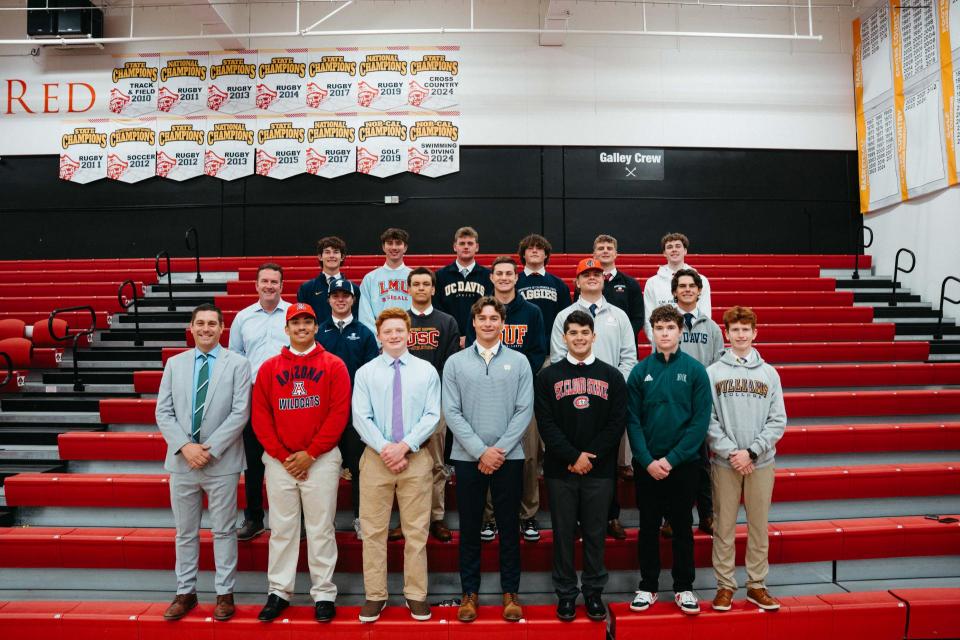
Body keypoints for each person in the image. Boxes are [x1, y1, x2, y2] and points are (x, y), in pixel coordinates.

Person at [251, 303, 351, 623]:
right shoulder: (269, 368)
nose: (302, 327)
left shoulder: (334, 365)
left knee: (321, 529)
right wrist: (284, 456)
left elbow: (338, 415)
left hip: (320, 460)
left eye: (308, 322)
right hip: (281, 461)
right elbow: (261, 417)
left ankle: (323, 593)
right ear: (287, 328)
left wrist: (312, 453)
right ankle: (279, 591)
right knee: (282, 529)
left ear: (316, 327)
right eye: (296, 323)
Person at [156, 304, 251, 622]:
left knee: (223, 531)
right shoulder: (175, 364)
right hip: (182, 462)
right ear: (191, 327)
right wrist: (185, 447)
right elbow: (163, 412)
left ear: (223, 328)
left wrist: (208, 450)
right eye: (201, 323)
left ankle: (225, 593)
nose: (206, 328)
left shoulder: (238, 364)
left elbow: (240, 412)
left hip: (221, 461)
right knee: (185, 533)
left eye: (212, 324)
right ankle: (186, 592)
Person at [444, 297, 534, 623]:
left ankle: (510, 593)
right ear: (474, 322)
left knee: (509, 528)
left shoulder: (520, 362)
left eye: (494, 318)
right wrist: (480, 451)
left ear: (502, 323)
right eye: (482, 318)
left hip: (509, 457)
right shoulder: (455, 363)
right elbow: (451, 411)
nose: (488, 323)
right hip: (468, 458)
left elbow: (525, 410)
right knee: (469, 529)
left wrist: (498, 450)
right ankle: (470, 593)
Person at [535, 310, 627, 622]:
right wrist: (573, 457)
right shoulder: (548, 376)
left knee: (595, 533)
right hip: (561, 470)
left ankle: (593, 592)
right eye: (572, 332)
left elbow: (616, 424)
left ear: (593, 336)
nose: (578, 338)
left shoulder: (612, 376)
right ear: (564, 337)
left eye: (584, 333)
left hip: (598, 471)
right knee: (562, 534)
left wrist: (589, 456)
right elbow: (545, 424)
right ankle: (565, 594)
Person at [352, 308, 442, 623]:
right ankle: (375, 595)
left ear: (408, 334)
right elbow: (361, 417)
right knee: (374, 531)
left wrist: (404, 446)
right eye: (387, 331)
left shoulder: (426, 371)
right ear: (379, 336)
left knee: (416, 531)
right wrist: (386, 448)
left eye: (399, 331)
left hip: (415, 457)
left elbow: (432, 415)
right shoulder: (365, 373)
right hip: (376, 459)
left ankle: (416, 594)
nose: (393, 336)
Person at [626, 305, 711, 616]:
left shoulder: (695, 371)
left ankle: (684, 587)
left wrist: (672, 460)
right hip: (647, 464)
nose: (664, 333)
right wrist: (647, 460)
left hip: (683, 464)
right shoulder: (639, 371)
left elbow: (700, 422)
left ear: (679, 331)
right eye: (659, 328)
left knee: (682, 526)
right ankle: (648, 586)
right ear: (651, 332)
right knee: (648, 526)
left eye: (670, 328)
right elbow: (632, 421)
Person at [707, 306, 786, 613]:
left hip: (761, 462)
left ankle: (756, 585)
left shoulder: (770, 373)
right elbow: (708, 420)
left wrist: (752, 451)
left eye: (745, 329)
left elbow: (778, 420)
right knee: (723, 527)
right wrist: (732, 452)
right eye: (735, 330)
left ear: (755, 333)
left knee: (758, 526)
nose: (740, 335)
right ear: (726, 334)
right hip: (726, 464)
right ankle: (725, 586)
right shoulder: (713, 372)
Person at [551, 258, 637, 540]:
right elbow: (555, 358)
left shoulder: (619, 316)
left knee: (606, 460)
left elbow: (628, 358)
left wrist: (616, 392)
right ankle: (574, 519)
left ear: (604, 280)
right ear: (576, 282)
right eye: (585, 274)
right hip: (570, 399)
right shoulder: (564, 316)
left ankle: (610, 516)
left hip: (608, 400)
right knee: (574, 453)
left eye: (596, 274)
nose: (591, 278)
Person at [467, 256, 545, 543]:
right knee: (488, 451)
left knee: (528, 456)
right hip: (486, 392)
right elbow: (470, 348)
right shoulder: (478, 310)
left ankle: (528, 515)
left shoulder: (532, 311)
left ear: (516, 277)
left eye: (508, 273)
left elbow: (539, 351)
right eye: (498, 273)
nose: (503, 278)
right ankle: (490, 517)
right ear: (491, 277)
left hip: (523, 392)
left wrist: (517, 376)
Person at [228, 262, 290, 541]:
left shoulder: (293, 313)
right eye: (264, 281)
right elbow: (235, 359)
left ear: (281, 285)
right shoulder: (242, 318)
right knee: (253, 460)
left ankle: (294, 519)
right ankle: (254, 517)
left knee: (290, 454)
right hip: (254, 394)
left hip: (289, 393)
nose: (269, 286)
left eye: (274, 282)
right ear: (256, 285)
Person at [663, 268, 725, 538]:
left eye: (692, 286)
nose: (687, 289)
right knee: (672, 463)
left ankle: (707, 514)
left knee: (701, 463)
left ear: (700, 291)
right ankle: (672, 517)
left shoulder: (711, 328)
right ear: (674, 292)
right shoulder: (667, 325)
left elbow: (718, 366)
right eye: (682, 286)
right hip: (673, 405)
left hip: (700, 405)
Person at [315, 278, 379, 540]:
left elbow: (371, 375)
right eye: (336, 295)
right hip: (324, 413)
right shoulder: (318, 332)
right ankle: (320, 521)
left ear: (353, 300)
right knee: (321, 469)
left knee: (359, 469)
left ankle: (360, 518)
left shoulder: (364, 333)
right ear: (328, 299)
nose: (340, 299)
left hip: (355, 413)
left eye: (346, 296)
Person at [406, 267, 461, 542]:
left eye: (426, 284)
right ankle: (408, 519)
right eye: (415, 284)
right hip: (403, 402)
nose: (421, 288)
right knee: (406, 461)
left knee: (437, 462)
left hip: (436, 401)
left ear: (433, 289)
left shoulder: (447, 321)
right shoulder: (400, 320)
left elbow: (450, 363)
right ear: (409, 288)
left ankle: (436, 517)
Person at [642, 232, 711, 341]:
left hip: (694, 340)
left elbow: (705, 314)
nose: (674, 250)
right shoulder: (652, 282)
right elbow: (648, 317)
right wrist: (658, 341)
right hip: (662, 342)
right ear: (664, 253)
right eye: (669, 247)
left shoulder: (702, 280)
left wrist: (695, 340)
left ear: (685, 251)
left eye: (678, 246)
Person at [434, 226, 490, 347]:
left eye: (470, 243)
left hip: (480, 338)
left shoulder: (487, 276)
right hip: (448, 338)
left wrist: (471, 336)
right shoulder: (440, 275)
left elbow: (489, 309)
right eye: (462, 243)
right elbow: (437, 308)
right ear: (455, 247)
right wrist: (454, 334)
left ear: (477, 247)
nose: (466, 246)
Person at [516, 233, 572, 348]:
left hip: (551, 348)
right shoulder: (513, 282)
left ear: (546, 254)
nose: (534, 251)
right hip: (519, 347)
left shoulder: (559, 284)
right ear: (523, 255)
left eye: (539, 248)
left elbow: (566, 319)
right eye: (530, 248)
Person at [358, 228, 412, 333]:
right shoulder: (370, 279)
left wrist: (411, 337)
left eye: (398, 243)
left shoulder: (415, 277)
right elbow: (365, 317)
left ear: (405, 247)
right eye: (390, 243)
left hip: (410, 338)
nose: (394, 247)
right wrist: (380, 339)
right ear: (383, 247)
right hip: (380, 342)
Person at [298, 236, 360, 325]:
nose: (331, 256)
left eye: (336, 252)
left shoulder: (354, 289)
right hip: (317, 337)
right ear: (320, 257)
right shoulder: (307, 288)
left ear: (342, 257)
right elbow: (303, 318)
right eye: (327, 252)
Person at [592, 234, 644, 340]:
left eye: (609, 248)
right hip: (594, 343)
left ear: (615, 254)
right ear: (594, 255)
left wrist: (624, 338)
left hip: (624, 345)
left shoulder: (631, 283)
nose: (605, 251)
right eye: (601, 248)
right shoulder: (587, 283)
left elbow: (638, 318)